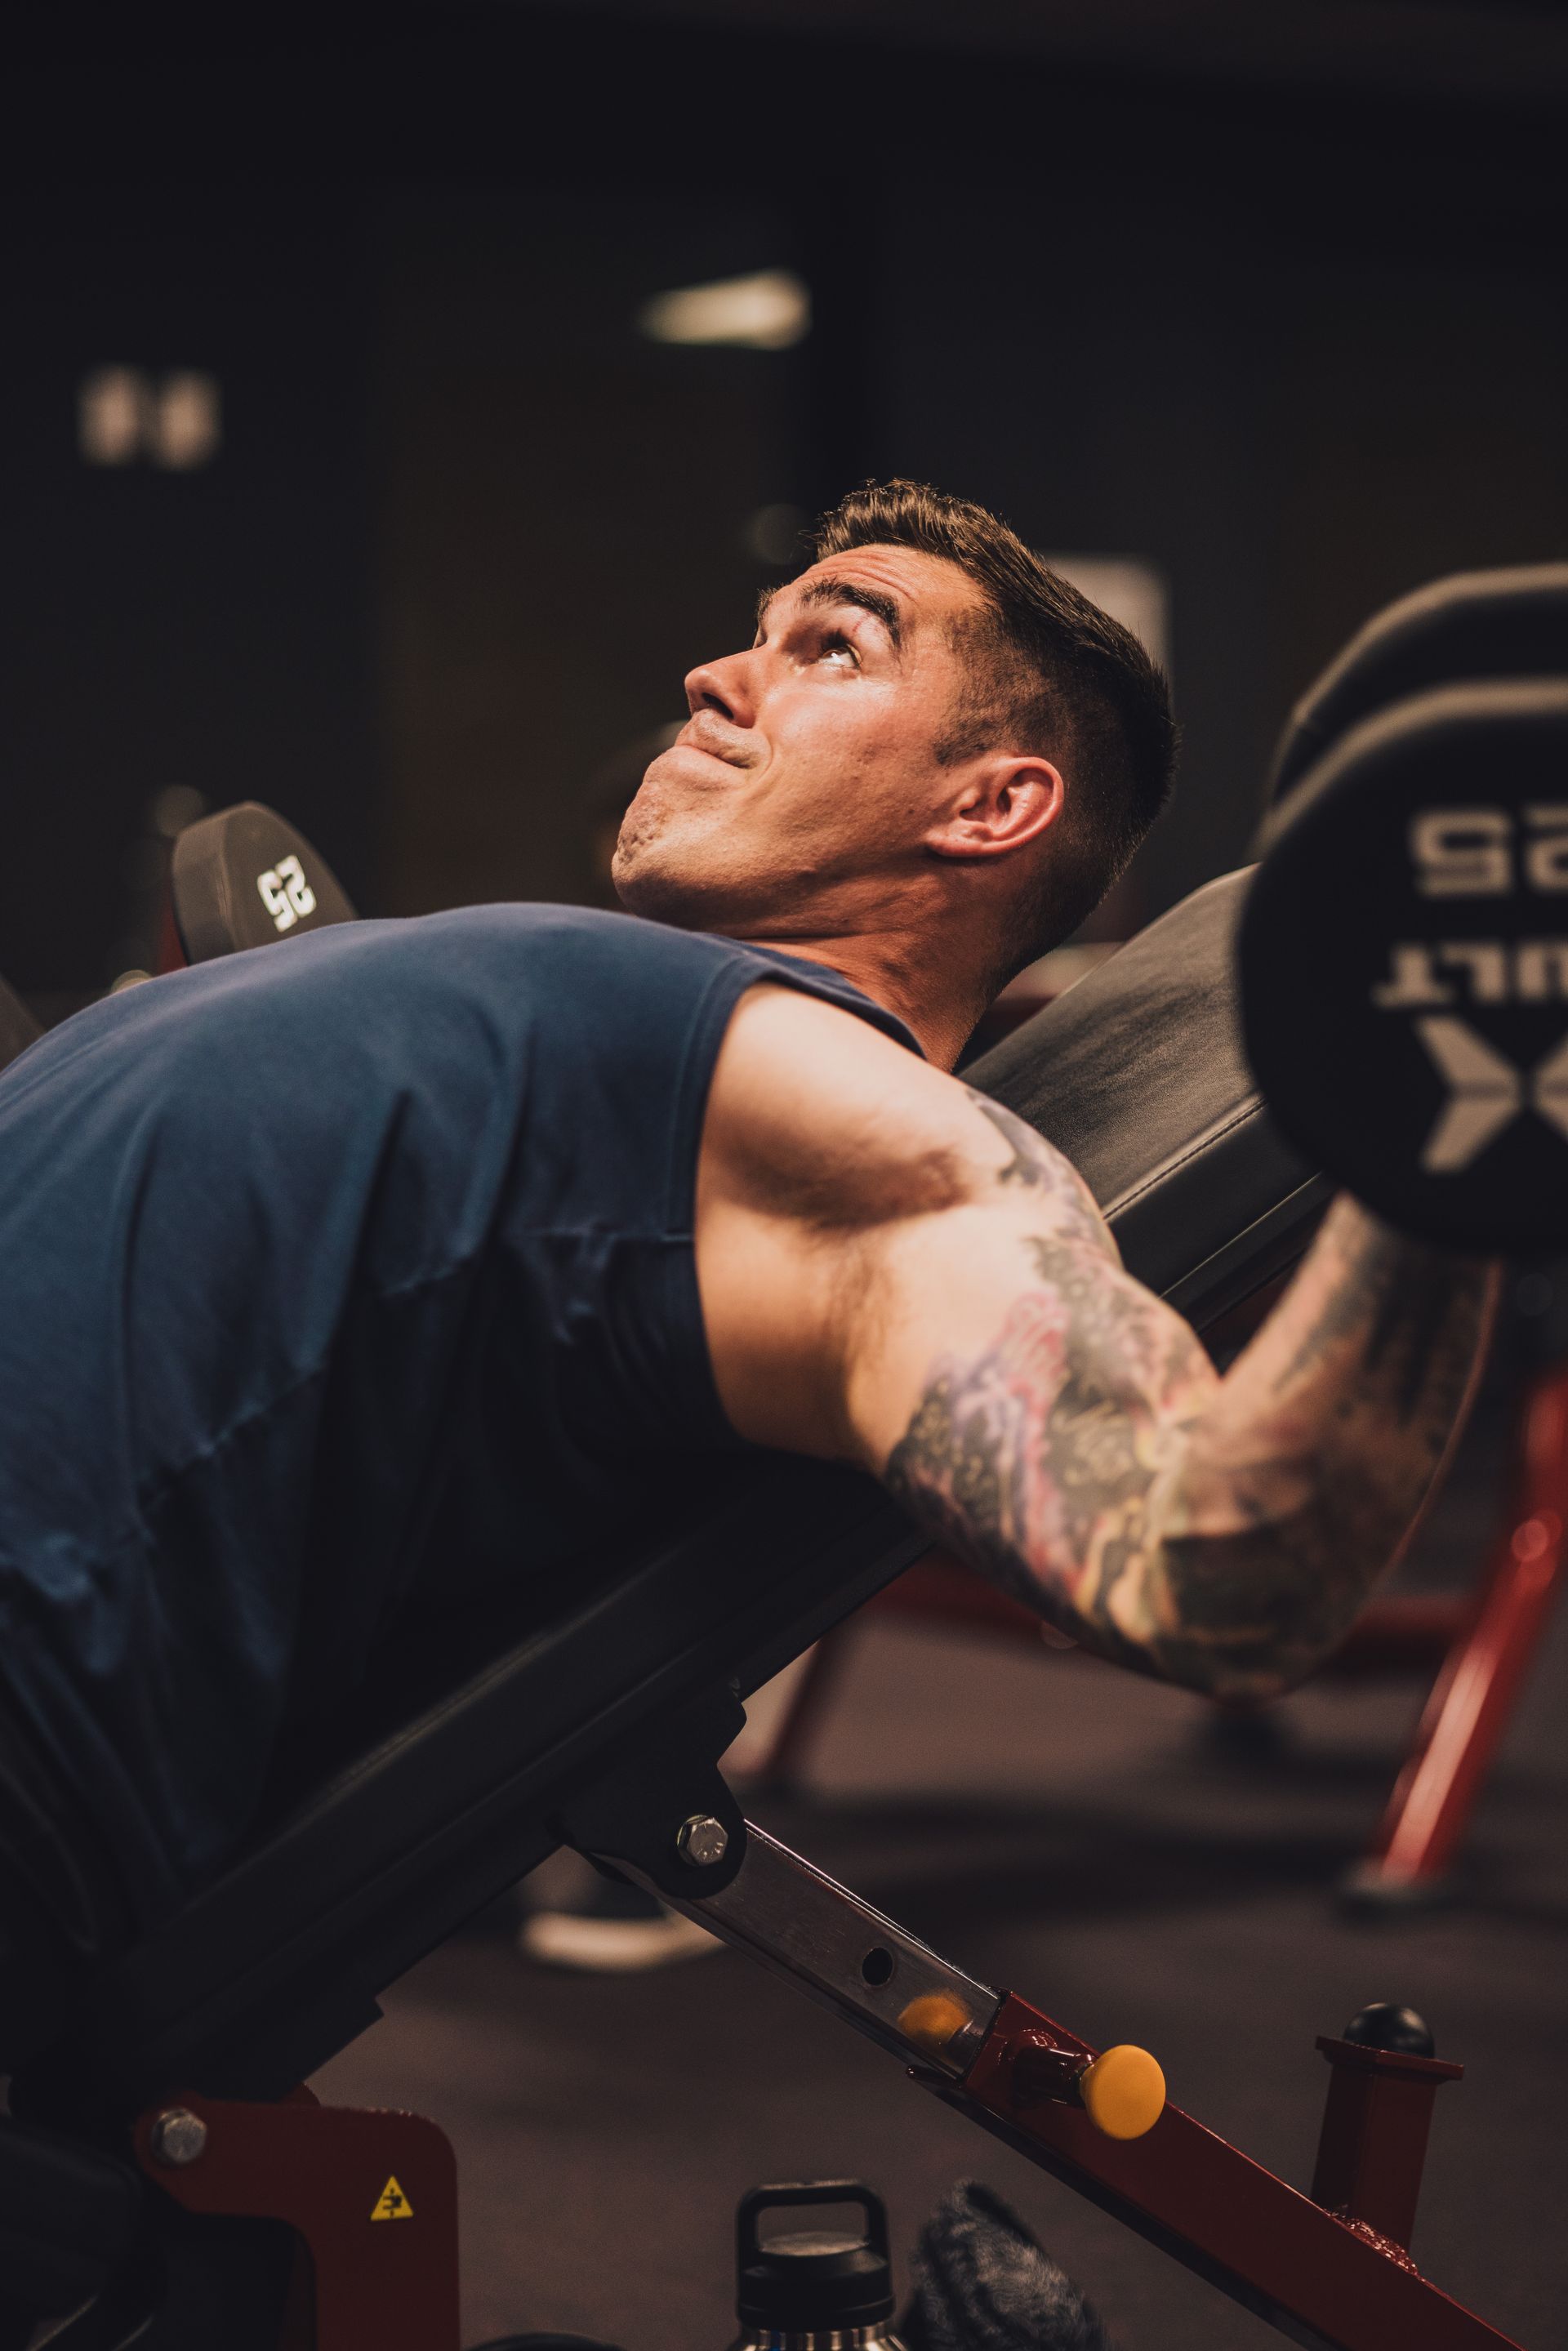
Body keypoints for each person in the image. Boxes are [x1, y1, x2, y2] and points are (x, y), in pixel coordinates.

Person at [0, 483, 1490, 2056]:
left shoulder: (877, 1144)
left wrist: (1460, 1113)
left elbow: (1226, 1560)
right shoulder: (660, 1024)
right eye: (759, 633)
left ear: (990, 807)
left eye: (835, 645)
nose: (720, 673)